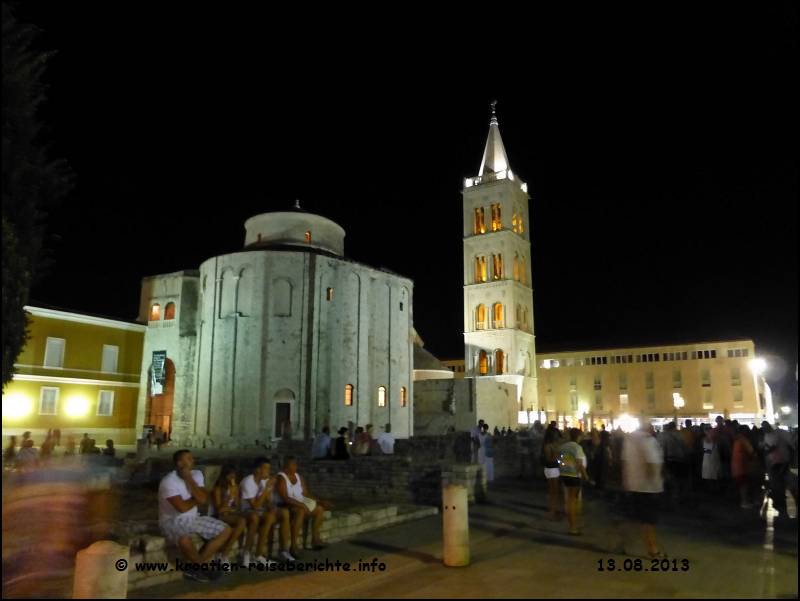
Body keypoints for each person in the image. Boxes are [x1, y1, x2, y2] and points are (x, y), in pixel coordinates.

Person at [158, 450, 231, 581]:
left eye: (192, 458)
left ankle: (194, 568)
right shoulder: (168, 481)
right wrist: (196, 498)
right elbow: (182, 507)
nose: (193, 461)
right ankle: (204, 569)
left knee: (225, 530)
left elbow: (203, 499)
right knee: (184, 539)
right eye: (189, 459)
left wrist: (189, 479)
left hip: (193, 517)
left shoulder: (196, 475)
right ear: (180, 463)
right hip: (172, 520)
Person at [622, 422, 666, 559]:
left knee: (642, 519)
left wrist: (627, 481)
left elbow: (624, 462)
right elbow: (652, 463)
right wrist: (653, 481)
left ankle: (640, 545)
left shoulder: (628, 441)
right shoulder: (648, 441)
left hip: (634, 485)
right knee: (649, 520)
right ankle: (653, 550)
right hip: (648, 488)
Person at [240, 458, 291, 565]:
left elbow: (267, 501)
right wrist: (266, 488)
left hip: (259, 510)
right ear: (258, 470)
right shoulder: (248, 481)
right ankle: (255, 554)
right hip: (246, 510)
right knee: (269, 517)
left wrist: (271, 506)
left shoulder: (263, 481)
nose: (269, 471)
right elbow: (255, 506)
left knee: (284, 513)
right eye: (266, 468)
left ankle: (283, 551)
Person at [275, 456, 327, 558]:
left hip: (300, 503)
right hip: (287, 505)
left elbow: (305, 494)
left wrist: (318, 501)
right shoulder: (281, 478)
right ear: (286, 466)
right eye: (293, 464)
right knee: (300, 511)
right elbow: (285, 497)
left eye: (295, 464)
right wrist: (302, 505)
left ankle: (315, 539)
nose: (296, 467)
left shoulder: (299, 477)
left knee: (319, 509)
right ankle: (293, 546)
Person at [210, 465, 248, 564]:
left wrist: (235, 495)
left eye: (234, 475)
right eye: (230, 475)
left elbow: (236, 507)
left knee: (240, 524)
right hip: (217, 516)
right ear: (225, 475)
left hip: (229, 514)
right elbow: (219, 510)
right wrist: (229, 497)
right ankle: (224, 554)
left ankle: (224, 553)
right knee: (241, 522)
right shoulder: (218, 488)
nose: (232, 477)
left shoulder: (234, 487)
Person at [558, 428, 591, 535]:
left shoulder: (563, 446)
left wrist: (563, 467)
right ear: (578, 436)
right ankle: (572, 527)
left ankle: (572, 523)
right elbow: (580, 464)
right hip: (574, 476)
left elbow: (559, 460)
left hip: (564, 474)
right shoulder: (577, 448)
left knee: (569, 500)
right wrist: (586, 477)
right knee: (572, 501)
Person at [761, 422, 793, 518]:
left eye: (765, 427)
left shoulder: (777, 434)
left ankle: (780, 504)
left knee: (779, 483)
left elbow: (772, 447)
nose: (764, 429)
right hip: (776, 463)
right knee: (779, 484)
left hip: (779, 463)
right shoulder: (770, 435)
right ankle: (780, 503)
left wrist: (765, 451)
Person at [732, 425, 756, 509]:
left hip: (736, 466)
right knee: (744, 485)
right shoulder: (743, 440)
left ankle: (743, 501)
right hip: (742, 466)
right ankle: (744, 502)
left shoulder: (736, 440)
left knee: (741, 484)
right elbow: (752, 452)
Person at [542, 428, 562, 519]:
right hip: (551, 469)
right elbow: (549, 459)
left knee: (555, 491)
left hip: (553, 468)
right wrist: (557, 456)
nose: (557, 436)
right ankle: (552, 510)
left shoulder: (552, 445)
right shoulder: (548, 446)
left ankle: (553, 509)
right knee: (553, 491)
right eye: (555, 435)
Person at [701, 425, 721, 493]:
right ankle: (712, 490)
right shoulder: (708, 439)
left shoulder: (710, 439)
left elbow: (707, 451)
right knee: (711, 476)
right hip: (710, 459)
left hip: (711, 459)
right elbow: (707, 451)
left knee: (712, 476)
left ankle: (713, 490)